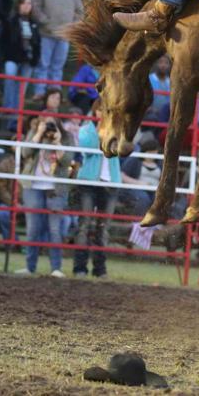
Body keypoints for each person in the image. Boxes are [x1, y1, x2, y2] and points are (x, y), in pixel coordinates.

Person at [16, 116, 75, 277]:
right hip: (33, 187)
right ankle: (30, 267)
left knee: (55, 230)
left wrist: (57, 143)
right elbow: (25, 153)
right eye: (45, 122)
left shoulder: (67, 137)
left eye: (52, 123)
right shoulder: (34, 133)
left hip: (56, 189)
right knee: (33, 229)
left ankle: (56, 268)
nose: (49, 126)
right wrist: (38, 133)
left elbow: (67, 161)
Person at [73, 99, 121, 278]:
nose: (103, 114)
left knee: (103, 227)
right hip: (88, 181)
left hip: (110, 183)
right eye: (100, 110)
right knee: (84, 224)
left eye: (107, 110)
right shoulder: (86, 130)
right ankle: (80, 267)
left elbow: (121, 148)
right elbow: (86, 148)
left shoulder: (118, 130)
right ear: (95, 112)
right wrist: (103, 134)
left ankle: (100, 269)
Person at [30, 0, 84, 96]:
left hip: (64, 37)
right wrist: (44, 21)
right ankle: (40, 93)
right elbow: (34, 5)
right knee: (43, 65)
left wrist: (73, 26)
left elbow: (80, 11)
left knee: (58, 67)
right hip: (46, 35)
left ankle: (54, 95)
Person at [0, 0, 41, 127]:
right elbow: (3, 40)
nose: (26, 6)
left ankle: (14, 119)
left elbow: (37, 43)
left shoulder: (34, 23)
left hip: (28, 61)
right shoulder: (10, 21)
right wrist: (5, 55)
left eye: (29, 3)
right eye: (23, 3)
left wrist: (35, 58)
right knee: (10, 79)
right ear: (18, 5)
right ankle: (8, 109)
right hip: (12, 57)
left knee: (21, 89)